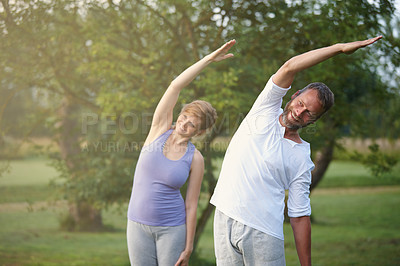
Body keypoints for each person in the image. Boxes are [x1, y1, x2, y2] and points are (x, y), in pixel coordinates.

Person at [210, 36, 382, 266]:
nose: (300, 112)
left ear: (314, 121)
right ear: (294, 95)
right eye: (301, 103)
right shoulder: (265, 109)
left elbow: (299, 215)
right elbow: (290, 66)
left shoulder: (301, 157)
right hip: (224, 218)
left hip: (263, 233)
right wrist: (339, 48)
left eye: (309, 113)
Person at [126, 40, 236, 266]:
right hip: (136, 225)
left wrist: (189, 246)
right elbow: (175, 86)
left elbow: (191, 204)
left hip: (171, 229)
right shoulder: (158, 131)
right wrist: (207, 60)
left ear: (201, 131)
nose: (183, 124)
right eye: (184, 117)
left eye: (192, 124)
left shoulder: (195, 158)